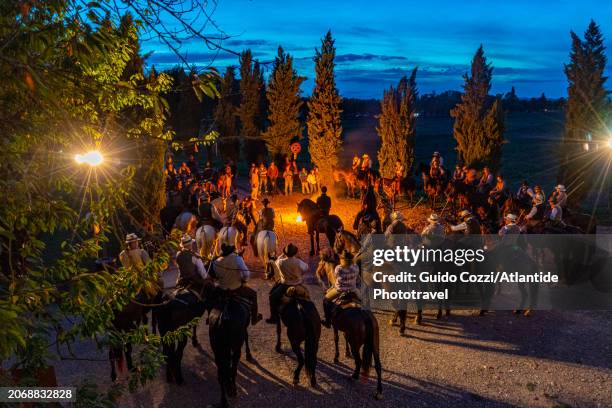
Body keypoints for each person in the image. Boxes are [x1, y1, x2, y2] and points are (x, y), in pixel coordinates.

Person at [210, 243, 262, 325]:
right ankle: (254, 318)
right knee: (253, 295)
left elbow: (215, 276)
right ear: (231, 250)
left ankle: (210, 316)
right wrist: (244, 281)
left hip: (222, 289)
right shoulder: (237, 258)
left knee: (211, 298)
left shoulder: (215, 262)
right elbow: (246, 274)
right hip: (236, 288)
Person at [265, 243, 309, 324]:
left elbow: (277, 261)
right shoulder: (298, 262)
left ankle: (273, 317)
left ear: (285, 253)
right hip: (298, 285)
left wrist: (282, 255)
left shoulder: (280, 262)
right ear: (295, 252)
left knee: (272, 297)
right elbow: (306, 268)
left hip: (284, 285)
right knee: (308, 299)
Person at [322, 250, 359, 327]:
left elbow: (336, 277)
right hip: (353, 290)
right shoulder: (356, 266)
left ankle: (327, 321)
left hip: (340, 290)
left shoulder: (338, 268)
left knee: (325, 300)